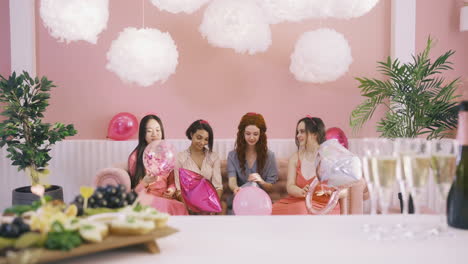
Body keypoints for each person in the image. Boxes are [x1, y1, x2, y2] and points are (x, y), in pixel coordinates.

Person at [272, 116, 341, 215]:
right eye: (297, 132)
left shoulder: (330, 156)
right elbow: (290, 186)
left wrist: (331, 192)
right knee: (271, 210)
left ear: (315, 134)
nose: (298, 135)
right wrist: (300, 192)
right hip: (298, 202)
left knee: (301, 209)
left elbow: (344, 189)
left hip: (324, 206)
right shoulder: (295, 158)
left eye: (302, 131)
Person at [128, 114, 187, 215]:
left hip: (165, 197)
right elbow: (134, 191)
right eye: (149, 131)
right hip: (146, 198)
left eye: (158, 130)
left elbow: (172, 179)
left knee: (180, 206)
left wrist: (171, 189)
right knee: (158, 204)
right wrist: (145, 182)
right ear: (143, 134)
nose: (154, 134)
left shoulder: (167, 153)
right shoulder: (135, 157)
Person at [174, 120, 223, 212]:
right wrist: (189, 208)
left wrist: (213, 207)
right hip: (188, 204)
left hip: (210, 203)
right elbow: (178, 189)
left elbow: (218, 187)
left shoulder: (213, 157)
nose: (202, 142)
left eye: (206, 139)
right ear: (192, 134)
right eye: (199, 137)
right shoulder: (180, 158)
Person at [227, 112, 278, 195]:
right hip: (241, 199)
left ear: (261, 135)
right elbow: (232, 180)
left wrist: (261, 181)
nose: (251, 138)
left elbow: (271, 187)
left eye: (255, 134)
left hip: (261, 201)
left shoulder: (270, 156)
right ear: (242, 134)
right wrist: (236, 188)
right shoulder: (232, 156)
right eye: (248, 134)